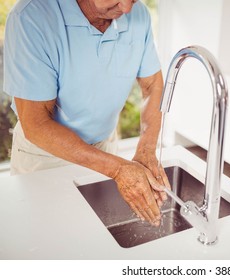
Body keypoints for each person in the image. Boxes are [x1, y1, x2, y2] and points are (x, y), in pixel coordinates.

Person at [3, 0, 170, 226]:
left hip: (105, 147)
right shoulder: (31, 17)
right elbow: (37, 124)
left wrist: (147, 149)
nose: (128, 8)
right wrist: (118, 169)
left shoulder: (137, 14)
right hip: (44, 156)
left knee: (95, 233)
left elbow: (152, 86)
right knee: (46, 235)